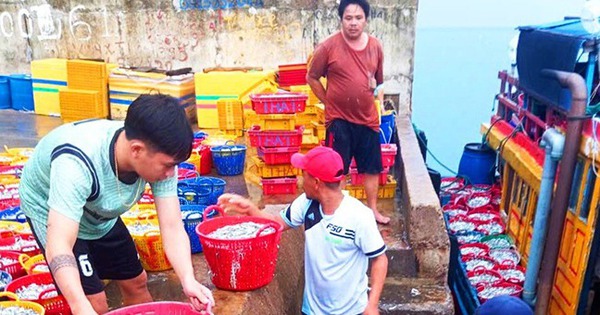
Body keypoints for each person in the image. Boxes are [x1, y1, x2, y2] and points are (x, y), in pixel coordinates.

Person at [19, 94, 214, 315]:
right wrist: (79, 305)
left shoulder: (159, 157)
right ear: (137, 150)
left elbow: (171, 226)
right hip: (51, 209)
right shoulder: (75, 165)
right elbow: (60, 244)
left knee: (136, 282)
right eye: (167, 166)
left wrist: (188, 280)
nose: (171, 173)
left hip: (99, 210)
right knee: (94, 302)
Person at [217, 146, 388, 315]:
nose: (300, 179)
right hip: (312, 310)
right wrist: (249, 208)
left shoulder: (359, 216)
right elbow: (277, 223)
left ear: (316, 183)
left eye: (303, 174)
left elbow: (380, 260)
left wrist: (371, 305)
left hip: (352, 311)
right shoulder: (305, 204)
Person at [306, 0, 389, 224]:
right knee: (336, 169)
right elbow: (311, 77)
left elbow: (379, 82)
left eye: (358, 18)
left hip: (368, 119)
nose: (353, 23)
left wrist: (377, 99)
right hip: (338, 120)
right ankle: (337, 214)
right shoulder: (328, 46)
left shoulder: (375, 46)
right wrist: (327, 101)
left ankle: (372, 210)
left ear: (366, 20)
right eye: (348, 18)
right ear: (341, 19)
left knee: (371, 168)